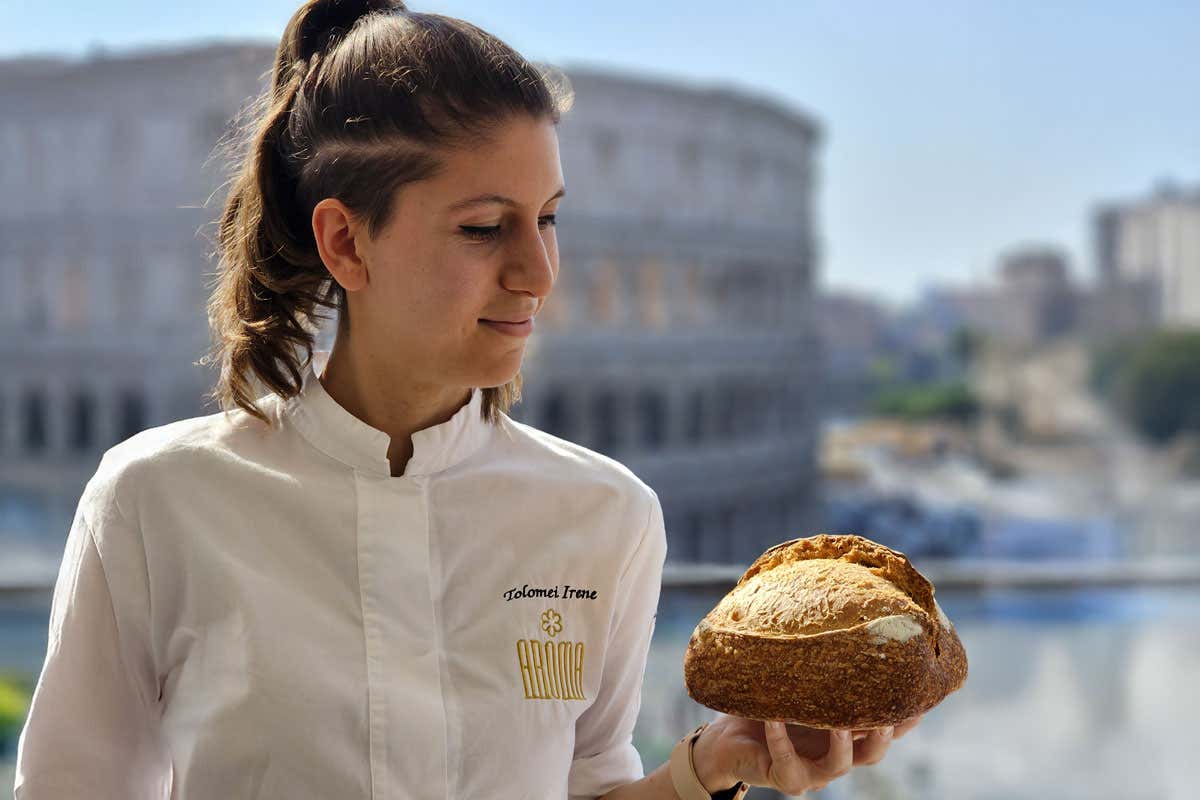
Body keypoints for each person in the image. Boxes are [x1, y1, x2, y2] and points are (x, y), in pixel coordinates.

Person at [13, 1, 920, 798]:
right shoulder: (155, 501)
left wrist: (708, 769)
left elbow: (585, 785)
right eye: (485, 228)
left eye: (550, 218)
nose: (538, 272)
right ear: (346, 243)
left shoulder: (608, 516)